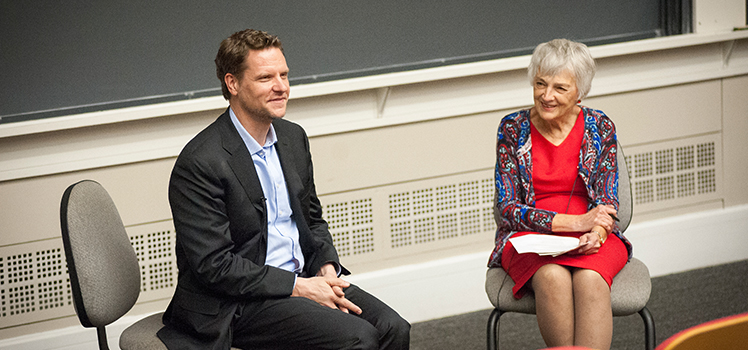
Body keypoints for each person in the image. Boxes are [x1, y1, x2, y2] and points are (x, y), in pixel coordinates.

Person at [157, 29, 410, 350]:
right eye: (265, 78)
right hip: (238, 301)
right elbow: (214, 266)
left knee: (393, 328)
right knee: (358, 337)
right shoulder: (201, 161)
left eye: (284, 75)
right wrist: (300, 287)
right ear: (233, 83)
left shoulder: (292, 139)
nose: (281, 87)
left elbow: (312, 219)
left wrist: (325, 268)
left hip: (303, 277)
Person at [487, 39, 632, 350]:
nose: (546, 96)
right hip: (527, 237)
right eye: (540, 84)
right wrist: (573, 223)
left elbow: (608, 199)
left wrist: (596, 230)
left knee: (590, 280)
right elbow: (509, 208)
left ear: (581, 91)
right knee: (552, 277)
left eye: (559, 88)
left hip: (594, 235)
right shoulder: (512, 129)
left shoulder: (599, 125)